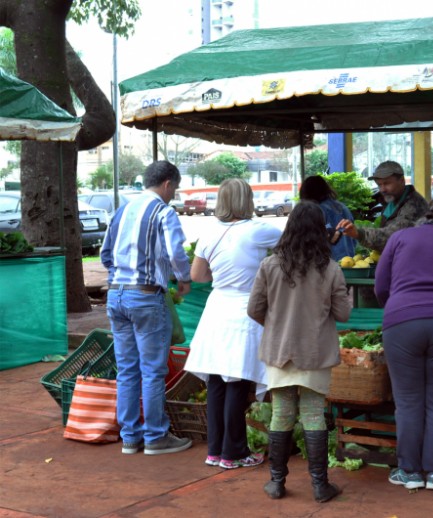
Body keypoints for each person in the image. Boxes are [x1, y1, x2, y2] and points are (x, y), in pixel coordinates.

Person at [247, 201, 351, 503]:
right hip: (315, 352)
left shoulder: (270, 265)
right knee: (313, 414)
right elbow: (343, 314)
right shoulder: (330, 269)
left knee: (282, 413)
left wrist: (276, 326)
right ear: (320, 231)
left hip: (279, 350)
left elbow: (254, 309)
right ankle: (320, 485)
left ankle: (276, 482)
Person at [184, 178, 282, 470]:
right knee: (238, 381)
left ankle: (215, 451)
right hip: (244, 311)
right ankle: (234, 453)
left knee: (216, 382)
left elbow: (198, 276)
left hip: (216, 309)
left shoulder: (209, 232)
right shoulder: (258, 230)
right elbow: (292, 245)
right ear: (247, 200)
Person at [374, 199, 433, 491]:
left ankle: (410, 472)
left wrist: (397, 308)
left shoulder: (399, 238)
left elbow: (381, 286)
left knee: (408, 400)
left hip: (402, 322)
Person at [100, 160, 193, 456]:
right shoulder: (163, 212)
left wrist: (120, 276)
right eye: (174, 188)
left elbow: (104, 253)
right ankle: (155, 436)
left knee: (127, 370)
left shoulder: (122, 210)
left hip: (116, 295)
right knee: (152, 370)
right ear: (167, 184)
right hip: (146, 296)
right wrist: (184, 279)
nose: (173, 194)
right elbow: (176, 251)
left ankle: (130, 437)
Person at [336, 160, 428, 252]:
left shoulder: (414, 204)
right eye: (379, 185)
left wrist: (359, 233)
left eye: (387, 183)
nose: (382, 189)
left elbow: (393, 237)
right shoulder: (392, 199)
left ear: (402, 181)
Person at [299, 174, 356, 261]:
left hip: (329, 264)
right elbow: (354, 237)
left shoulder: (317, 211)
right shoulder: (343, 207)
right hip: (351, 262)